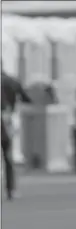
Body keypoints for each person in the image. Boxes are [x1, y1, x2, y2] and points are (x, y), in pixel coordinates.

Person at [1, 66, 32, 201]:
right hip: (7, 119)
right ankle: (10, 189)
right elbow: (26, 98)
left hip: (4, 117)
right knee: (8, 155)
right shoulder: (12, 80)